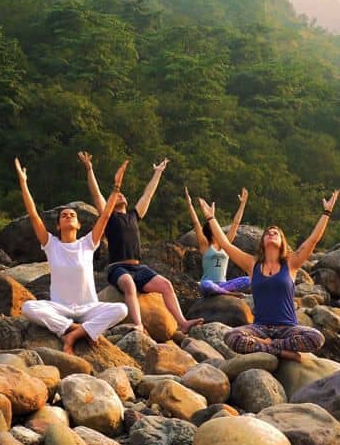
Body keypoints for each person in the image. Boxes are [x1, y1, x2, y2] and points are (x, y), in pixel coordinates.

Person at [197, 191, 339, 361]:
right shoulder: (252, 264)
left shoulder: (291, 263)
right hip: (260, 328)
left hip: (287, 329)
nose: (271, 234)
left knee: (316, 337)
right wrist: (210, 218)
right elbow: (226, 245)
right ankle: (279, 351)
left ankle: (267, 346)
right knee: (231, 337)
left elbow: (313, 240)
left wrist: (326, 213)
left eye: (276, 233)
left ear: (282, 241)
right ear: (262, 242)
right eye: (268, 233)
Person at [78, 151, 202, 334]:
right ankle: (138, 325)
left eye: (122, 196)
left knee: (166, 285)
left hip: (138, 267)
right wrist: (89, 169)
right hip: (117, 268)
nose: (120, 196)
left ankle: (182, 322)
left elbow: (148, 195)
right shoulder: (108, 217)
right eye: (117, 196)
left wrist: (158, 172)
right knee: (128, 283)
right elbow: (96, 195)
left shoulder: (134, 216)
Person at [18, 158, 129, 354]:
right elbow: (34, 215)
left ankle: (72, 334)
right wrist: (23, 183)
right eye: (64, 215)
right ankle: (77, 330)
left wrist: (116, 186)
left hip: (88, 308)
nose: (68, 216)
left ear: (78, 225)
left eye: (72, 215)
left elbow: (105, 216)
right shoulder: (51, 244)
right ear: (58, 225)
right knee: (28, 307)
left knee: (121, 309)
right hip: (60, 308)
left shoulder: (87, 243)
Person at [184, 186, 250, 296]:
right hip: (209, 285)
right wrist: (190, 204)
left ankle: (224, 292)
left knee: (248, 279)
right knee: (205, 284)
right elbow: (196, 223)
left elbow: (235, 223)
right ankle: (229, 294)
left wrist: (242, 204)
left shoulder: (226, 243)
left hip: (224, 285)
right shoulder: (205, 245)